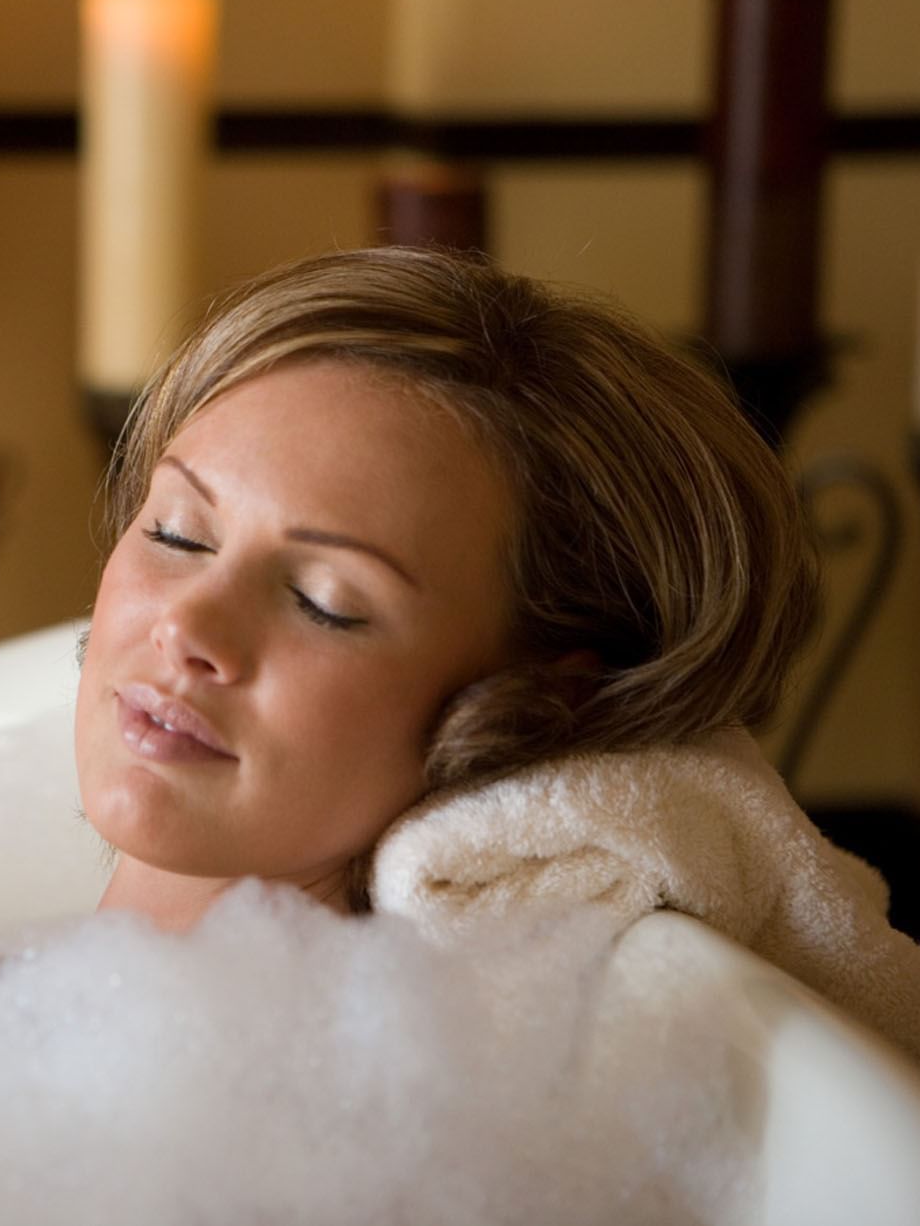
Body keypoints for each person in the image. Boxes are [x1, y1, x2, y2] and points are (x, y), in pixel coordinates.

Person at [72, 245, 819, 931]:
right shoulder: (7, 987)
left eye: (324, 604)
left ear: (533, 710)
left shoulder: (388, 1071)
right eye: (177, 533)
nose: (186, 625)